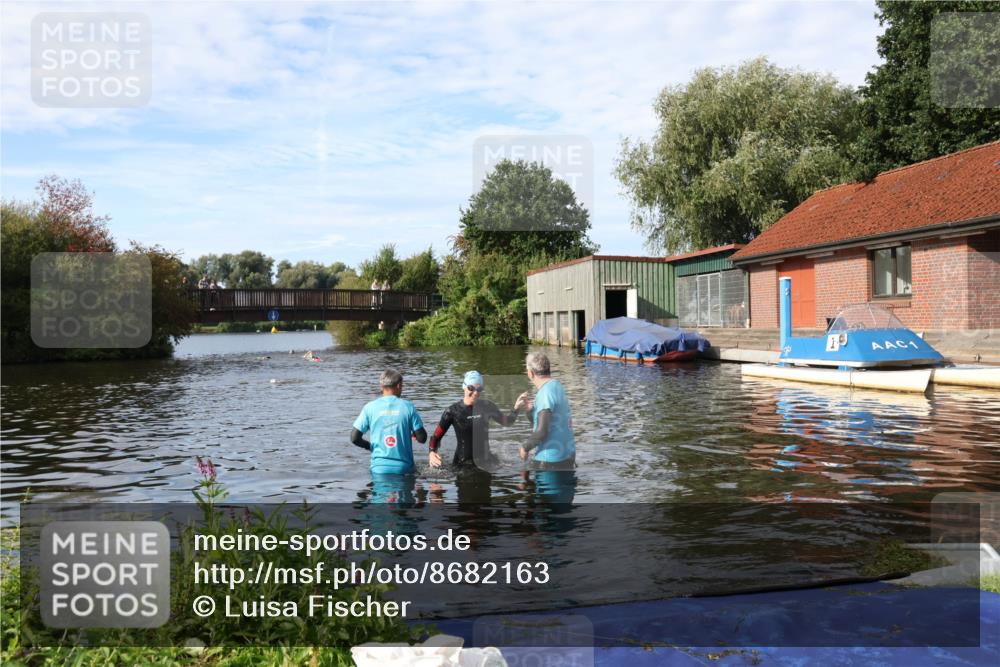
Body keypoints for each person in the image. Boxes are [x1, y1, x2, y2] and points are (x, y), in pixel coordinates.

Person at [428, 370, 524, 471]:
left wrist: (516, 408)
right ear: (464, 387)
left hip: (485, 462)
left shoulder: (487, 406)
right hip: (462, 463)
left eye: (479, 389)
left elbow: (507, 422)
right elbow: (436, 436)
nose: (475, 393)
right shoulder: (452, 411)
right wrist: (431, 452)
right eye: (471, 388)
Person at [350, 369, 427, 474]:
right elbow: (422, 438)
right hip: (403, 470)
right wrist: (415, 434)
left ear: (381, 387)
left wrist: (370, 446)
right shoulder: (408, 407)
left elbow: (354, 438)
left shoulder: (369, 408)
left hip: (378, 470)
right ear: (399, 386)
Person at [519, 352, 575, 469]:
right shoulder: (557, 385)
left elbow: (542, 431)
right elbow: (549, 422)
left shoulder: (545, 394)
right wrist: (530, 411)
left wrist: (525, 447)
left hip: (550, 460)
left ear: (530, 373)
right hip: (568, 455)